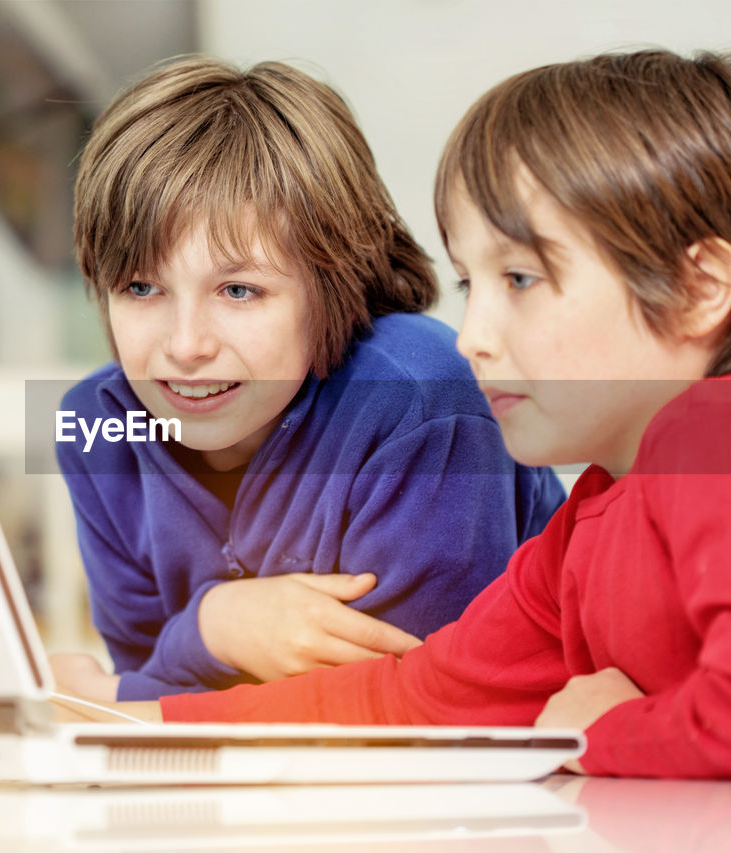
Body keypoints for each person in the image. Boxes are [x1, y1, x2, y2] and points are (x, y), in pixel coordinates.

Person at [79, 49, 731, 780]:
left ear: (697, 288)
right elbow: (413, 698)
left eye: (519, 278)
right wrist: (134, 719)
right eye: (468, 286)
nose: (475, 337)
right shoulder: (588, 522)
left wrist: (600, 735)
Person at [52, 57, 564, 702]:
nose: (184, 347)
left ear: (333, 284)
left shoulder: (422, 400)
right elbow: (151, 696)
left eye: (239, 290)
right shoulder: (98, 426)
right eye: (141, 287)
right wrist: (209, 636)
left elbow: (411, 709)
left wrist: (190, 645)